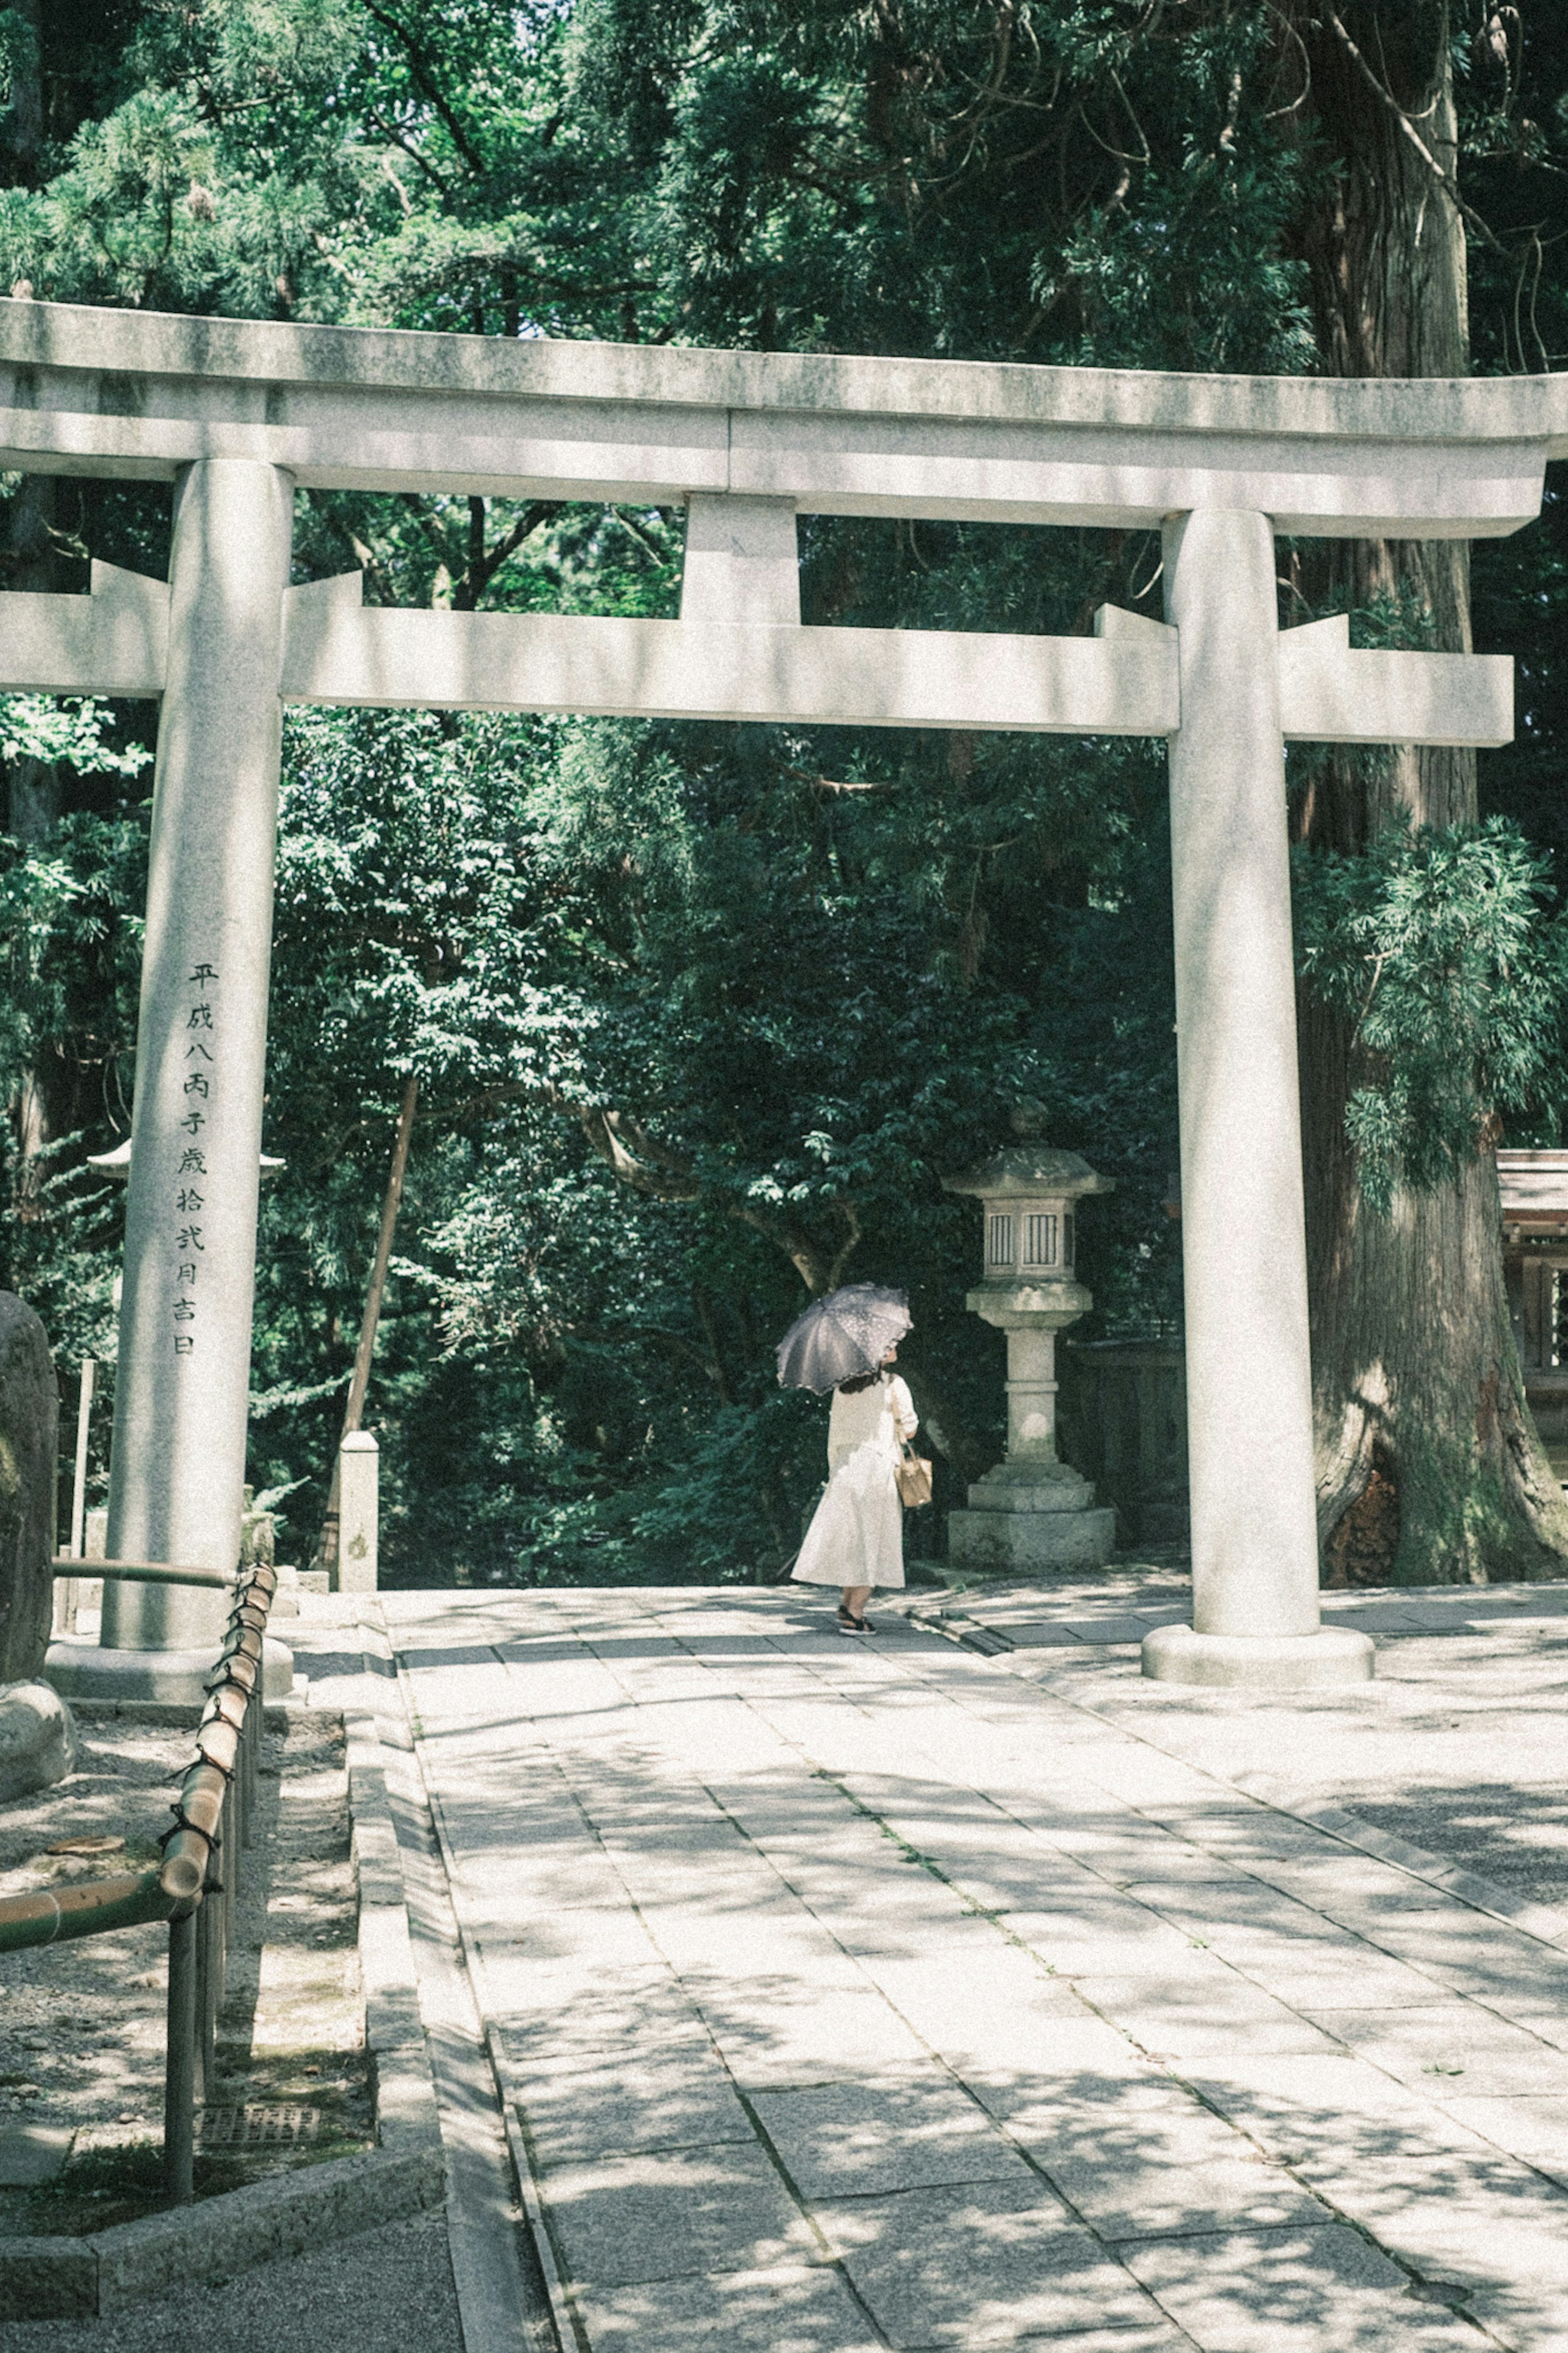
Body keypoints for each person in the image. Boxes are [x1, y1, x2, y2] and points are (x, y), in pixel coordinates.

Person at [791, 1345, 920, 1631]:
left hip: (846, 1468)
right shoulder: (893, 1384)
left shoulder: (843, 1388)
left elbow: (834, 1433)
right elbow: (909, 1430)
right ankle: (855, 1611)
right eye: (888, 1345)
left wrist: (835, 1468)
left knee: (854, 1538)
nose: (895, 1347)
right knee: (873, 1539)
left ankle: (847, 1602)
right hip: (877, 1466)